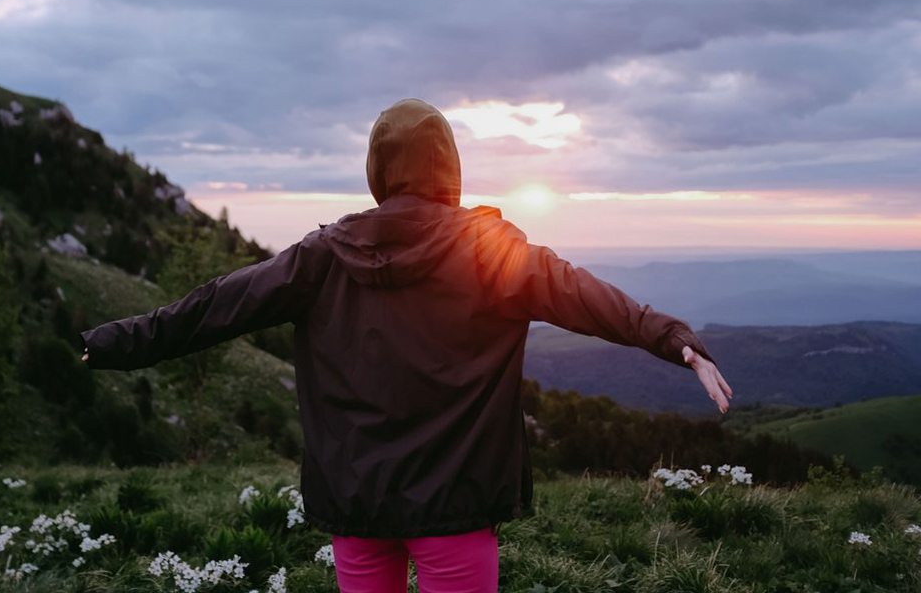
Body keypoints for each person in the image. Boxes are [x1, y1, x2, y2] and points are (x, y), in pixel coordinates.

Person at [80, 97, 733, 593]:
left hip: (356, 502)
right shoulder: (488, 251)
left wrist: (113, 342)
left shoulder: (320, 256)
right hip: (456, 505)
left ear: (377, 170)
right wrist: (674, 339)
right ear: (448, 166)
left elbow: (213, 308)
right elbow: (587, 296)